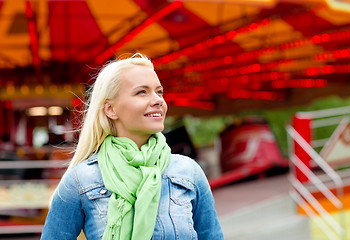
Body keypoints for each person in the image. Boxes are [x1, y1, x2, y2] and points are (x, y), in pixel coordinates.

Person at [41, 53, 223, 240]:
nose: (158, 100)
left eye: (159, 91)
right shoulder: (81, 180)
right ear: (111, 109)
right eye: (141, 92)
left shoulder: (188, 172)